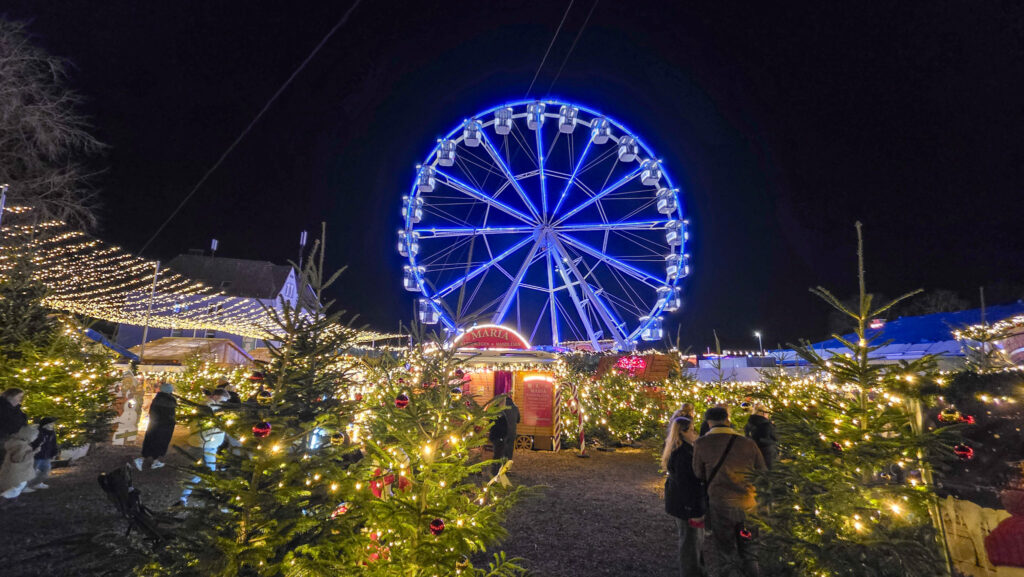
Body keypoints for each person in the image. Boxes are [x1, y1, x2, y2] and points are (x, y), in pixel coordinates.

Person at [692, 406, 766, 577]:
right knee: (750, 550)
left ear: (708, 422)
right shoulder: (747, 443)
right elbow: (762, 470)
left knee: (725, 551)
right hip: (748, 502)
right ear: (727, 419)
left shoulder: (702, 444)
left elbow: (698, 473)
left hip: (721, 503)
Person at [663, 415, 706, 577]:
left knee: (693, 542)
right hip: (687, 507)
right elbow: (686, 485)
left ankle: (698, 571)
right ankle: (691, 572)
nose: (695, 433)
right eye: (692, 430)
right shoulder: (683, 454)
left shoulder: (680, 450)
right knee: (690, 544)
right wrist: (692, 509)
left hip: (682, 504)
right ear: (683, 432)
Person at [178, 389, 228, 506]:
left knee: (205, 471)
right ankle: (190, 496)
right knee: (204, 472)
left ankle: (192, 495)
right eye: (223, 400)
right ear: (215, 396)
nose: (223, 403)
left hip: (207, 444)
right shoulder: (209, 408)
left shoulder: (209, 407)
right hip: (206, 444)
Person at [135, 382, 177, 471]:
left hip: (154, 424)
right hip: (164, 427)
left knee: (150, 441)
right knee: (160, 443)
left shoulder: (157, 398)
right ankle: (152, 460)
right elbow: (169, 415)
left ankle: (148, 459)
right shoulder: (169, 400)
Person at [0, 425, 39, 499]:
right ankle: (5, 497)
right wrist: (32, 453)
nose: (36, 438)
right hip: (18, 471)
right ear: (28, 436)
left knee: (17, 484)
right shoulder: (22, 446)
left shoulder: (18, 443)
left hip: (14, 470)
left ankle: (8, 496)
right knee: (18, 485)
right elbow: (18, 458)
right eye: (35, 436)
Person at [488, 396, 520, 475]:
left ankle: (496, 470)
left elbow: (491, 421)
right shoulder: (515, 408)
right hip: (511, 433)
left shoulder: (499, 408)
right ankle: (506, 470)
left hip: (501, 433)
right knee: (509, 452)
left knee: (498, 452)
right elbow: (518, 420)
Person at [744, 404, 778, 469]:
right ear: (763, 413)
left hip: (752, 453)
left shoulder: (749, 424)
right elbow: (775, 437)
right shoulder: (766, 425)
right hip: (768, 454)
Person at [29, 417, 58, 490]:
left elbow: (53, 444)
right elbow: (34, 443)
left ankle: (36, 483)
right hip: (37, 455)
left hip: (46, 456)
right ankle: (27, 486)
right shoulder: (38, 432)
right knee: (32, 472)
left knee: (45, 471)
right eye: (50, 424)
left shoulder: (52, 433)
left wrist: (54, 452)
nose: (52, 425)